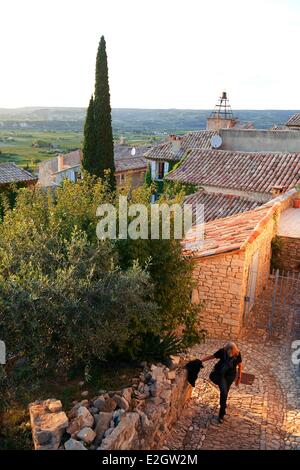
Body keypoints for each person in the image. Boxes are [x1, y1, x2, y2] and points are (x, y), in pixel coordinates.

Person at [200, 342, 243, 423]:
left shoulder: (237, 354)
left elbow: (240, 365)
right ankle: (221, 414)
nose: (227, 352)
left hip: (230, 376)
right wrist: (200, 361)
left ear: (233, 350)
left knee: (226, 391)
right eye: (226, 350)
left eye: (229, 351)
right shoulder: (223, 351)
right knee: (224, 392)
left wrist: (239, 377)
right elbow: (212, 356)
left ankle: (223, 404)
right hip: (220, 375)